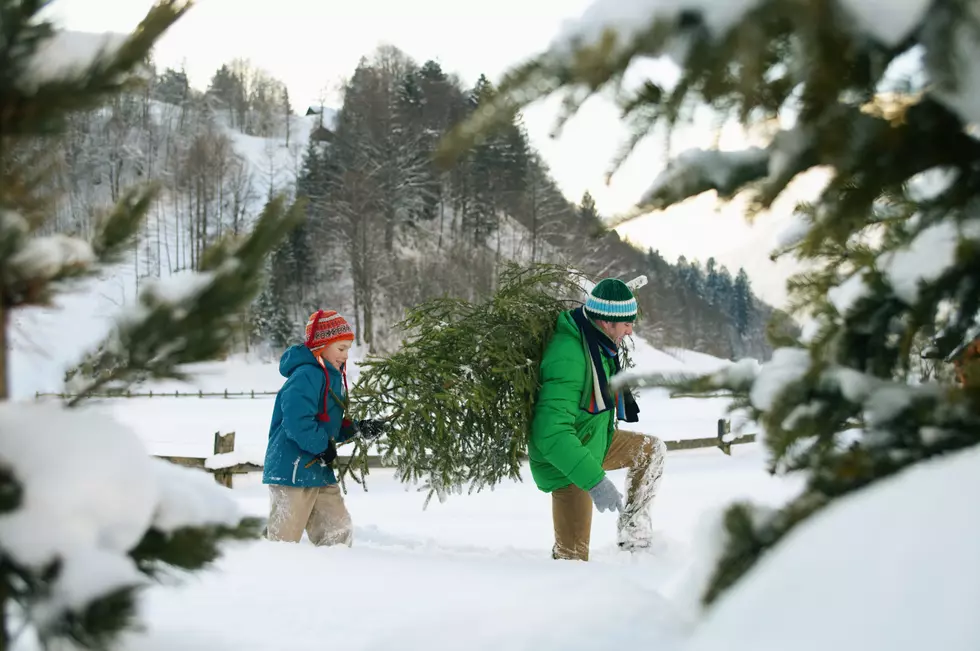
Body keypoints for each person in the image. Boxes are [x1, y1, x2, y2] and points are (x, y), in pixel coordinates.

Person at [528, 278, 667, 561]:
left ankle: (634, 533)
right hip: (566, 465)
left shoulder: (598, 343)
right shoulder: (570, 355)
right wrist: (594, 482)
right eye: (626, 323)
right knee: (573, 561)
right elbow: (550, 432)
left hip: (594, 440)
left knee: (651, 450)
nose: (630, 330)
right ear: (606, 322)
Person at [263, 309, 388, 546]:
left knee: (337, 531)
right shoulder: (306, 375)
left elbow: (329, 424)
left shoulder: (331, 377)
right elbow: (297, 421)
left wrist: (358, 428)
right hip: (292, 467)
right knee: (283, 539)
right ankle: (271, 575)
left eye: (348, 349)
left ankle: (336, 574)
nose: (345, 355)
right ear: (320, 346)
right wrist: (321, 446)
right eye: (341, 349)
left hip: (318, 467)